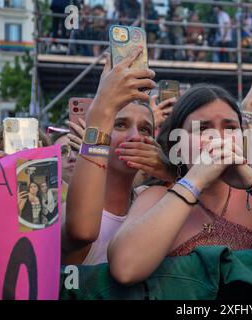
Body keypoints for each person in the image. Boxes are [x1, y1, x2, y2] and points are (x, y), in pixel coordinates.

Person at [107, 84, 252, 285]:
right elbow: (125, 269)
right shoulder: (156, 197)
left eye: (230, 128)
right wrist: (194, 181)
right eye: (202, 128)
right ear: (176, 142)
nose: (218, 139)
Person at [63, 48, 173, 265]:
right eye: (120, 125)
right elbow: (82, 232)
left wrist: (169, 171)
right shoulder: (67, 206)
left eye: (145, 130)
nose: (134, 137)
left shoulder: (151, 199)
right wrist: (103, 108)